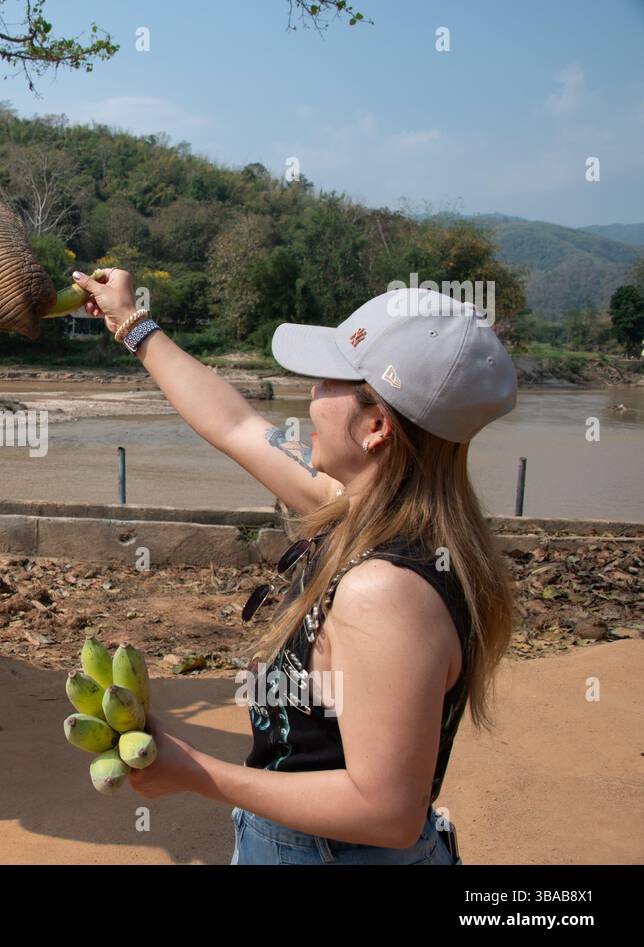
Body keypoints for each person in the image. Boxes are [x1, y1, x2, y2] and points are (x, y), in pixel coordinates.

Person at [72, 268, 518, 864]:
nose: (309, 395)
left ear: (378, 426)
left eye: (329, 380)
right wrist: (132, 324)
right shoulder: (362, 514)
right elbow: (235, 426)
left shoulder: (384, 591)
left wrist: (197, 772)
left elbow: (386, 811)